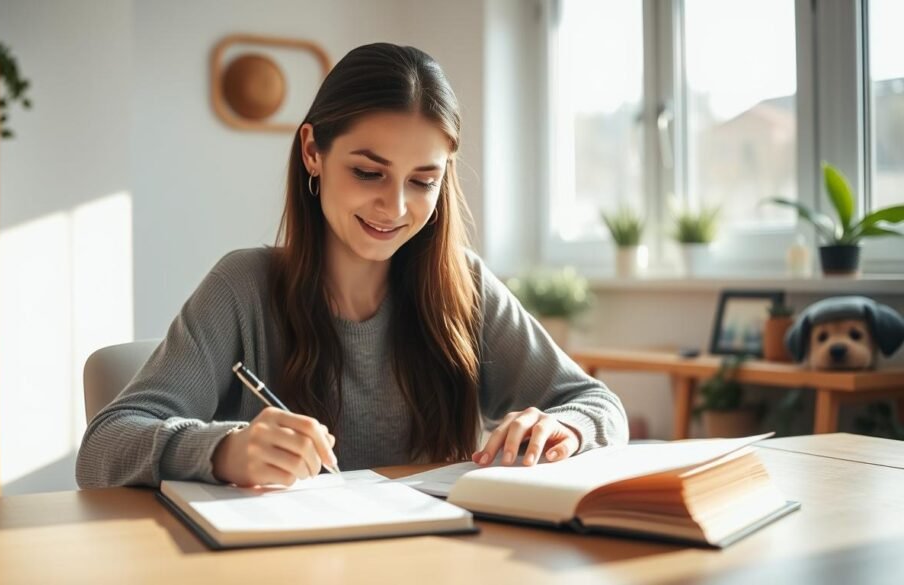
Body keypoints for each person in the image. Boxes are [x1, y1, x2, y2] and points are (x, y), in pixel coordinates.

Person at [76, 43, 627, 489]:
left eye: (423, 181)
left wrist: (564, 427)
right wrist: (223, 450)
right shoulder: (242, 286)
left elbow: (598, 404)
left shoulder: (465, 285)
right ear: (313, 152)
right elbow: (106, 444)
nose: (396, 207)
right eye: (369, 173)